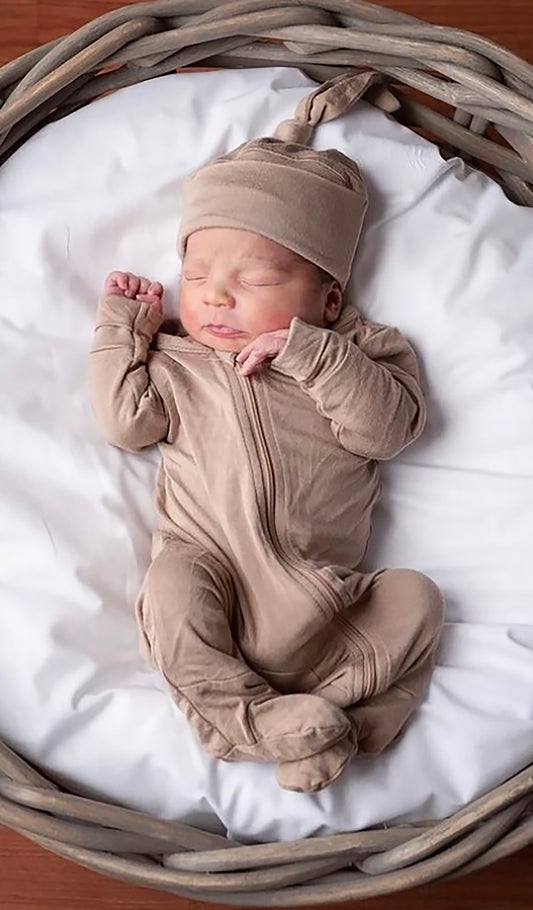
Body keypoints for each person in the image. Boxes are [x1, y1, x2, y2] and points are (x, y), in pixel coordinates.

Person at [89, 75, 444, 792]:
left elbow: (386, 433)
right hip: (212, 572)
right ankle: (254, 724)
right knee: (167, 591)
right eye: (196, 275)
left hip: (332, 602)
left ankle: (348, 715)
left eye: (251, 278)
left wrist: (314, 352)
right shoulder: (178, 358)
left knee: (417, 598)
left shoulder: (361, 352)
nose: (215, 295)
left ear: (327, 298)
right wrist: (120, 329)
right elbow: (126, 424)